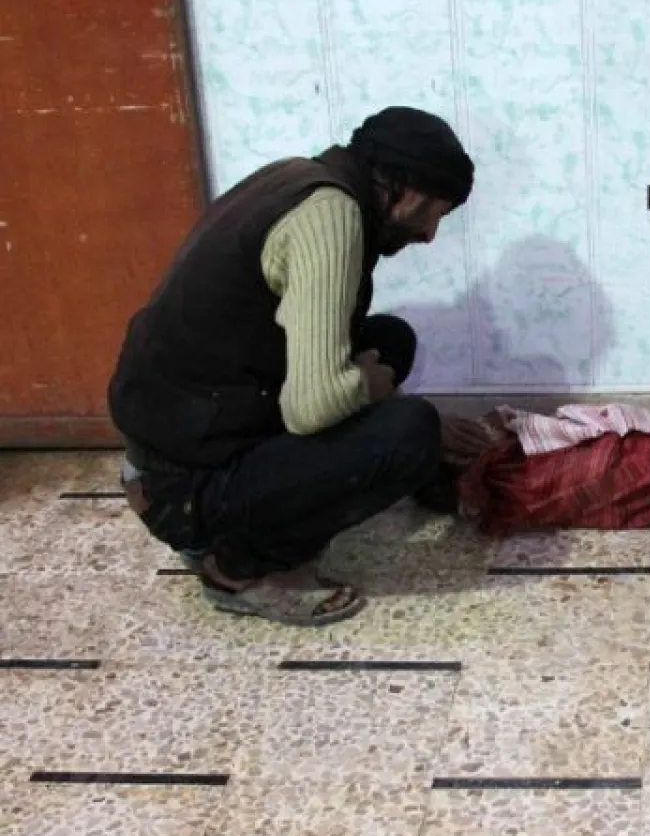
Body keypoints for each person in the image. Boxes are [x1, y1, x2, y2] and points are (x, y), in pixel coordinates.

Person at [109, 107, 491, 626]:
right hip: (181, 486)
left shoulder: (301, 177)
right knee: (410, 430)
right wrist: (375, 392)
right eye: (433, 214)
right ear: (402, 190)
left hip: (186, 436)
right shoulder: (331, 217)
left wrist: (378, 390)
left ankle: (252, 513)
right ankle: (239, 567)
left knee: (390, 341)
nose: (428, 236)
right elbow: (313, 408)